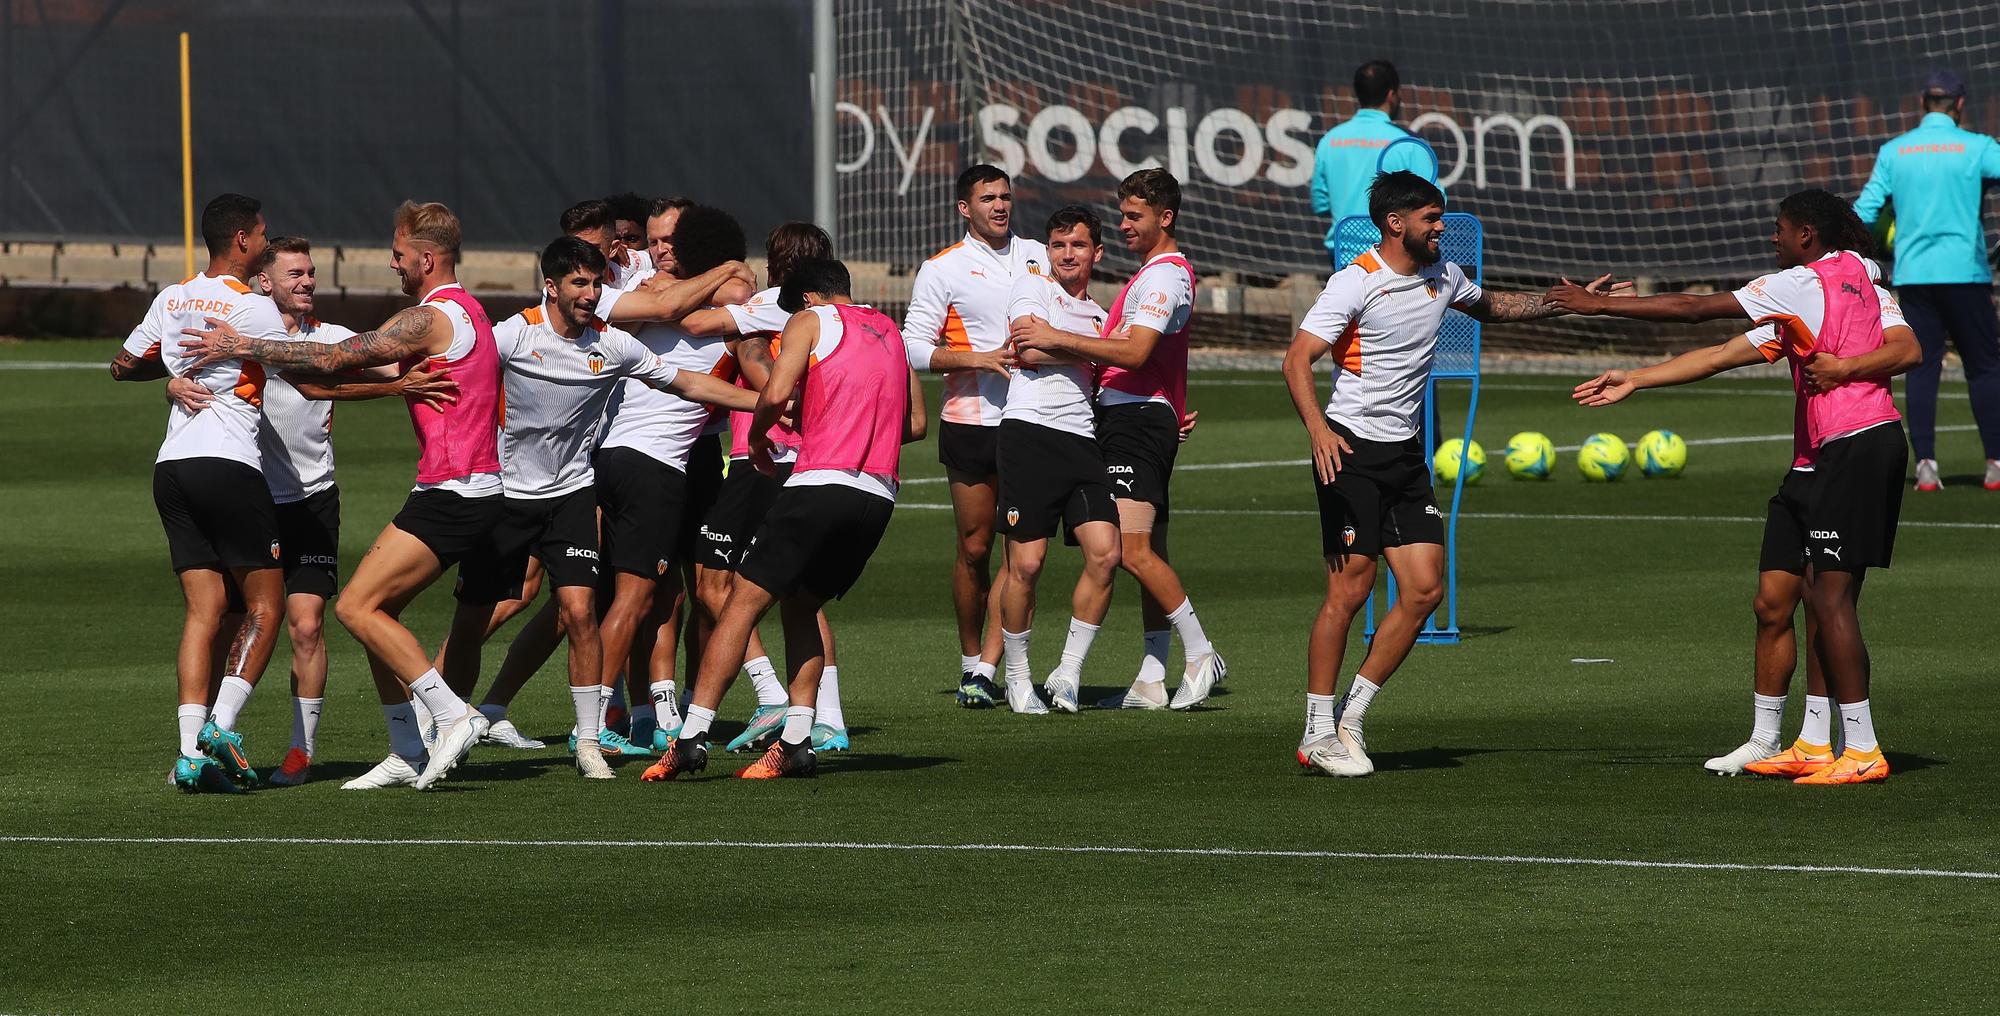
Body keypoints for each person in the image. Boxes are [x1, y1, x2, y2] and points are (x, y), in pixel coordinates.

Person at [1553, 188, 1923, 785]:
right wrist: (1637, 379)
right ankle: (1795, 741)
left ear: (1806, 235)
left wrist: (1595, 309)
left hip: (1857, 446)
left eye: (1780, 229)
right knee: (1778, 599)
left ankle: (1862, 750)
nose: (1772, 239)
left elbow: (1697, 308)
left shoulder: (1805, 281)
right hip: (1816, 459)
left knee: (1830, 601)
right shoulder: (1855, 281)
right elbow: (1726, 352)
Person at [1281, 171, 1614, 776]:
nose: (1442, 228)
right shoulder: (1354, 282)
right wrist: (1319, 432)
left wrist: (1564, 302)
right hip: (1349, 451)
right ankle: (1315, 729)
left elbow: (1492, 307)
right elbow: (1296, 359)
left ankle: (1351, 720)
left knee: (1425, 590)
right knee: (1349, 592)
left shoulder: (1443, 274)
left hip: (1405, 456)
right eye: (1432, 219)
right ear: (1395, 223)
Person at [181, 200, 506, 791]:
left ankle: (453, 713)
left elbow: (331, 358)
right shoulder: (470, 311)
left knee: (357, 608)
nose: (393, 264)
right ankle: (407, 747)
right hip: (461, 487)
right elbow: (323, 372)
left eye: (401, 255)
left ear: (427, 258)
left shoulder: (430, 317)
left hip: (455, 488)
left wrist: (241, 348)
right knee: (383, 612)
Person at [440, 237, 754, 779]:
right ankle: (442, 721)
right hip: (510, 497)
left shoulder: (615, 345)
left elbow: (686, 382)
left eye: (596, 284)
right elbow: (460, 374)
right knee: (475, 617)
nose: (590, 295)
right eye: (579, 285)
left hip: (574, 494)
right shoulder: (512, 335)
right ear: (551, 287)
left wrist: (769, 402)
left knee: (581, 612)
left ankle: (588, 742)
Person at [644, 258, 925, 781]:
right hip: (877, 496)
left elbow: (774, 394)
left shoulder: (810, 320)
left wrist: (755, 440)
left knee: (737, 606)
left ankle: (690, 738)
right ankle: (796, 741)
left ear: (808, 300)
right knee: (801, 606)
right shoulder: (891, 329)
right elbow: (916, 424)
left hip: (819, 484)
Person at [1011, 168, 1220, 711]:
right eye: (1123, 214)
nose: (1125, 224)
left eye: (1134, 216)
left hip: (1134, 426)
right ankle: (1152, 675)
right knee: (1147, 548)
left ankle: (1200, 654)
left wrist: (1056, 336)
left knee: (1130, 550)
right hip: (1132, 421)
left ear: (1165, 217)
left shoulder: (1163, 278)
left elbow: (1134, 354)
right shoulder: (1149, 275)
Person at [110, 193, 288, 793]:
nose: (268, 240)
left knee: (205, 610)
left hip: (173, 468)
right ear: (242, 240)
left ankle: (188, 755)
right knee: (266, 606)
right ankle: (224, 725)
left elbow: (122, 365)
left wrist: (170, 379)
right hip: (228, 463)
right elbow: (313, 366)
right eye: (263, 233)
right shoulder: (253, 308)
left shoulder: (173, 296)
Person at [681, 221, 854, 751]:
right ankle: (828, 719)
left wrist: (717, 279)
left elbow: (685, 319)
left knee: (712, 582)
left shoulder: (761, 308)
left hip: (761, 459)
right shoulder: (845, 320)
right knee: (803, 597)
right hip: (818, 462)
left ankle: (770, 694)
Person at [903, 164, 1042, 707]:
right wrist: (978, 359)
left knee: (1020, 553)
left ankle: (991, 667)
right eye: (988, 199)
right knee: (974, 548)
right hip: (969, 420)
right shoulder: (943, 269)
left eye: (1006, 197)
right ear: (965, 208)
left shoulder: (1038, 255)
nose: (1000, 206)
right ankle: (969, 660)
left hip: (1032, 421)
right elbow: (912, 346)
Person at [993, 206, 1122, 714]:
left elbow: (1112, 377)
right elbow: (1026, 350)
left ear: (1097, 253)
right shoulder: (1033, 288)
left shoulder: (1103, 315)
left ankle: (1067, 674)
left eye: (1078, 245)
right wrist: (1098, 351)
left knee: (1106, 554)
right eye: (1058, 245)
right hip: (1029, 432)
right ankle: (1018, 677)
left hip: (1083, 441)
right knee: (1026, 564)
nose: (1067, 255)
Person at [1853, 70, 2000, 491]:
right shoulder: (1977, 147)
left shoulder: (1894, 151)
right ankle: (1995, 463)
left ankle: (1926, 468)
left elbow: (1863, 214)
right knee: (1985, 367)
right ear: (1959, 105)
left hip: (1915, 276)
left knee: (1921, 367)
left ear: (1923, 104)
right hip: (1965, 275)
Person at [1311, 60, 1440, 273]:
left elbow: (1320, 205)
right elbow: (1435, 203)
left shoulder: (1330, 140)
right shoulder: (1408, 142)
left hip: (1343, 255)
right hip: (1394, 255)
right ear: (1392, 95)